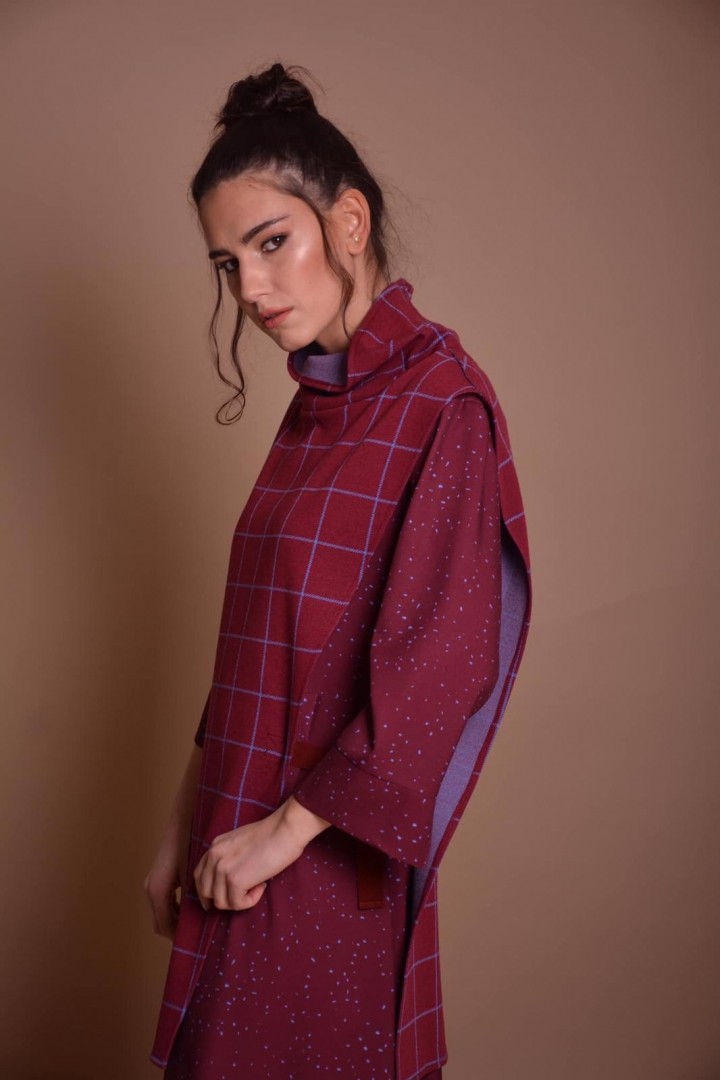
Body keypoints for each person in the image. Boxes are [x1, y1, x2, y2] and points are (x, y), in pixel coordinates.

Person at [144, 61, 532, 1080]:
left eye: (272, 242)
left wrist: (280, 836)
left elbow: (443, 664)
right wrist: (185, 822)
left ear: (348, 221)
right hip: (237, 835)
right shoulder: (319, 404)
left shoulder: (444, 403)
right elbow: (259, 643)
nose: (250, 288)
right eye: (228, 262)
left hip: (319, 860)